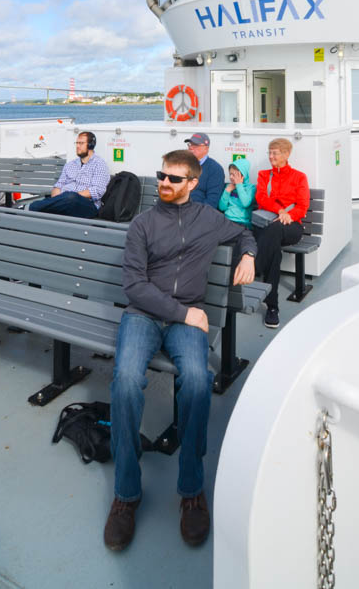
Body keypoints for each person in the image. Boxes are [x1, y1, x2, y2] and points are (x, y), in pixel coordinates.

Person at [104, 149, 256, 552]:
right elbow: (135, 286)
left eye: (173, 179)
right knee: (124, 382)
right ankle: (126, 494)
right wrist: (182, 313)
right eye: (161, 176)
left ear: (192, 183)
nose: (163, 184)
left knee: (197, 380)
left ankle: (191, 489)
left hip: (187, 317)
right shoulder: (143, 224)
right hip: (145, 314)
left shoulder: (208, 219)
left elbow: (244, 230)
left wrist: (249, 254)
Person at [253, 138, 309, 329]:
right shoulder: (263, 175)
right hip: (269, 223)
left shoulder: (299, 177)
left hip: (292, 226)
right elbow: (260, 198)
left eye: (275, 153)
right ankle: (272, 306)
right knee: (274, 249)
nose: (271, 157)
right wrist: (280, 211)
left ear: (286, 154)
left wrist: (289, 215)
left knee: (274, 231)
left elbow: (302, 206)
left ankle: (254, 268)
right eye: (269, 152)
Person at [29, 132, 109, 218]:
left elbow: (97, 191)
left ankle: (31, 207)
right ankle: (35, 209)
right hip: (65, 202)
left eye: (81, 143)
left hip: (87, 206)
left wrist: (69, 196)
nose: (77, 146)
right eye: (77, 143)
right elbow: (58, 186)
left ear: (90, 145)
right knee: (64, 199)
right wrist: (60, 199)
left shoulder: (99, 164)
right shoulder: (70, 164)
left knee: (71, 197)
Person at [185, 132, 224, 207]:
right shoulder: (182, 164)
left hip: (198, 213)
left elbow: (212, 202)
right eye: (190, 144)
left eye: (195, 145)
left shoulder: (215, 169)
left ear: (206, 148)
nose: (191, 147)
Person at [218, 158, 256, 227]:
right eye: (230, 174)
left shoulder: (251, 188)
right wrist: (227, 191)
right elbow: (222, 208)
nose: (231, 177)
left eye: (234, 175)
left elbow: (245, 203)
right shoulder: (228, 187)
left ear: (243, 175)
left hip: (242, 222)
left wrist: (239, 185)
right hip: (227, 220)